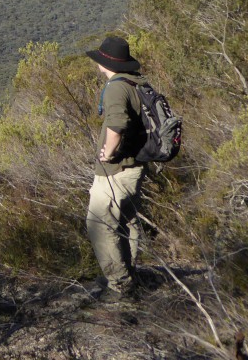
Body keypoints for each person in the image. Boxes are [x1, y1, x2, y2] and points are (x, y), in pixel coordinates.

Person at [85, 36, 147, 302]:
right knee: (125, 222)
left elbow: (117, 125)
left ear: (104, 63)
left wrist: (108, 154)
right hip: (136, 166)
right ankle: (129, 273)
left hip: (116, 171)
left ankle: (121, 286)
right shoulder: (138, 82)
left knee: (99, 223)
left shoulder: (116, 88)